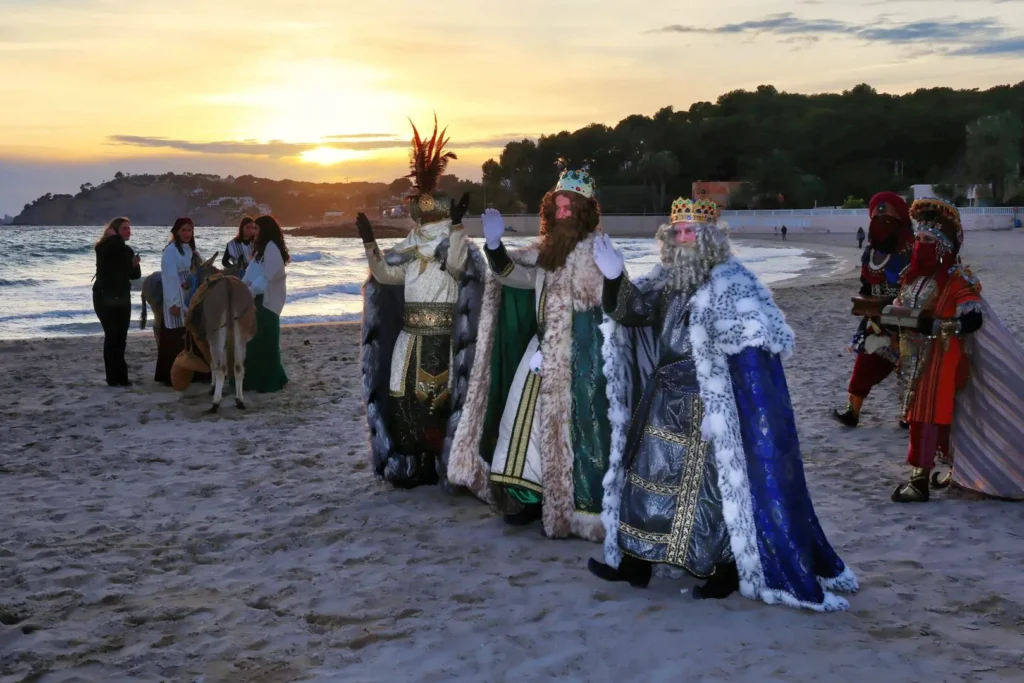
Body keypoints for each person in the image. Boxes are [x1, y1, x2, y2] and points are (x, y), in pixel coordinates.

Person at [587, 197, 858, 611]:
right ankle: (637, 563)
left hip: (707, 409)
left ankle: (721, 571)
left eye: (690, 230)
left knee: (707, 495)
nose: (682, 238)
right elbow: (634, 312)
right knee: (646, 481)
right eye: (676, 231)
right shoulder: (665, 281)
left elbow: (753, 347)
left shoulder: (735, 285)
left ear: (710, 238)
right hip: (662, 399)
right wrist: (614, 278)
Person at [447, 168, 614, 542]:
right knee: (517, 423)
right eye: (558, 203)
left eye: (571, 205)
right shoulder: (545, 251)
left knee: (568, 435)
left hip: (578, 362)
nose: (564, 210)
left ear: (585, 210)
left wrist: (564, 351)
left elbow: (599, 311)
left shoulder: (596, 254)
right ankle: (525, 498)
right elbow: (514, 277)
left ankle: (568, 507)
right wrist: (493, 246)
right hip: (539, 353)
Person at [358, 116, 487, 489]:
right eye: (421, 216)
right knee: (403, 401)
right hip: (409, 338)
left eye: (429, 217)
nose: (423, 223)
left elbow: (461, 267)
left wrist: (461, 230)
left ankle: (438, 462)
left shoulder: (451, 247)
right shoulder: (410, 253)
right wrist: (369, 244)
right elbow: (384, 276)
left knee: (439, 402)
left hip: (442, 337)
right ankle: (411, 463)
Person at [886, 199, 987, 502]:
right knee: (928, 412)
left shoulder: (958, 278)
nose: (920, 244)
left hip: (941, 353)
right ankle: (953, 468)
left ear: (943, 246)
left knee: (927, 413)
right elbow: (902, 307)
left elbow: (973, 319)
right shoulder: (912, 274)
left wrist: (940, 326)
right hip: (912, 353)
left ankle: (919, 479)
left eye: (928, 240)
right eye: (918, 239)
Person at [833, 192, 914, 428]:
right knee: (864, 364)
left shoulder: (912, 250)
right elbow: (866, 283)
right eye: (877, 219)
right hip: (875, 318)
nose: (882, 223)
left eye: (888, 219)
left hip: (907, 318)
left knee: (910, 367)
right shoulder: (871, 252)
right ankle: (852, 412)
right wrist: (866, 304)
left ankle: (909, 415)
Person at [239, 215, 290, 393]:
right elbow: (251, 272)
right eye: (252, 228)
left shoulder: (271, 249)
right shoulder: (262, 249)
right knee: (255, 341)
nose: (254, 232)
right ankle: (253, 380)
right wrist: (241, 286)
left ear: (265, 230)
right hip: (258, 299)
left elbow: (268, 277)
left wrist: (250, 291)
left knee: (264, 341)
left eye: (257, 229)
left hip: (267, 302)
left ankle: (268, 381)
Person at [155, 217, 205, 386]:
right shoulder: (170, 251)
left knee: (190, 333)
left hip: (190, 293)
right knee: (175, 335)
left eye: (190, 230)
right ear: (176, 231)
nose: (187, 233)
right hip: (176, 293)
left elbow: (202, 268)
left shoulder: (192, 250)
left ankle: (194, 371)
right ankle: (171, 374)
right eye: (183, 230)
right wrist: (173, 303)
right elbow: (169, 277)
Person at [92, 217, 141, 386]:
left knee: (121, 338)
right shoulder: (105, 247)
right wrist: (112, 238)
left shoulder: (126, 250)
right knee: (112, 336)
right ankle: (113, 378)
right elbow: (104, 253)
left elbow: (134, 276)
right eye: (124, 228)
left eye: (129, 228)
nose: (129, 231)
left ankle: (122, 377)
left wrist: (135, 265)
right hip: (104, 297)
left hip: (122, 298)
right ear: (115, 231)